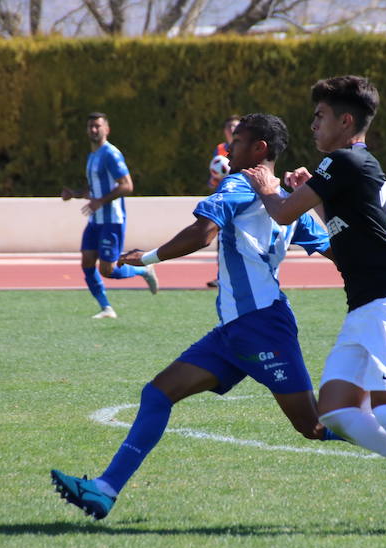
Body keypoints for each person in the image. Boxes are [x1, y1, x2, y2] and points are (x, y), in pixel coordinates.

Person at [50, 113, 346, 521]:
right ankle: (104, 490)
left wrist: (148, 257)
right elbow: (338, 250)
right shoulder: (288, 200)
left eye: (237, 142)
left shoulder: (242, 184)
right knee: (158, 393)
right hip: (234, 333)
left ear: (259, 148)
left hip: (263, 329)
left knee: (312, 427)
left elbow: (202, 233)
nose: (229, 149)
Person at [243, 75, 386, 536]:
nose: (313, 124)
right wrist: (311, 192)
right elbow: (340, 229)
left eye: (320, 116)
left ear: (345, 120)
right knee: (334, 411)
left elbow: (281, 213)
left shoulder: (346, 160)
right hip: (366, 305)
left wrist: (268, 185)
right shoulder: (346, 166)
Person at [61, 112, 158, 319]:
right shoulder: (92, 156)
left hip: (112, 221)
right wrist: (75, 194)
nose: (94, 130)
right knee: (87, 262)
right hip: (95, 220)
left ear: (107, 129)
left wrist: (99, 202)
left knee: (108, 270)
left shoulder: (111, 154)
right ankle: (106, 308)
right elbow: (92, 189)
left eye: (98, 126)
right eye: (91, 127)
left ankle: (144, 270)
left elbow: (127, 185)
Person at [206, 115, 240, 288]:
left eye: (236, 126)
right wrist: (214, 179)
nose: (232, 130)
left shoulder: (246, 147)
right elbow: (213, 177)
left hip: (240, 198)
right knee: (222, 237)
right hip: (223, 198)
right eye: (229, 127)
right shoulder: (219, 150)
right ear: (225, 131)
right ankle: (222, 277)